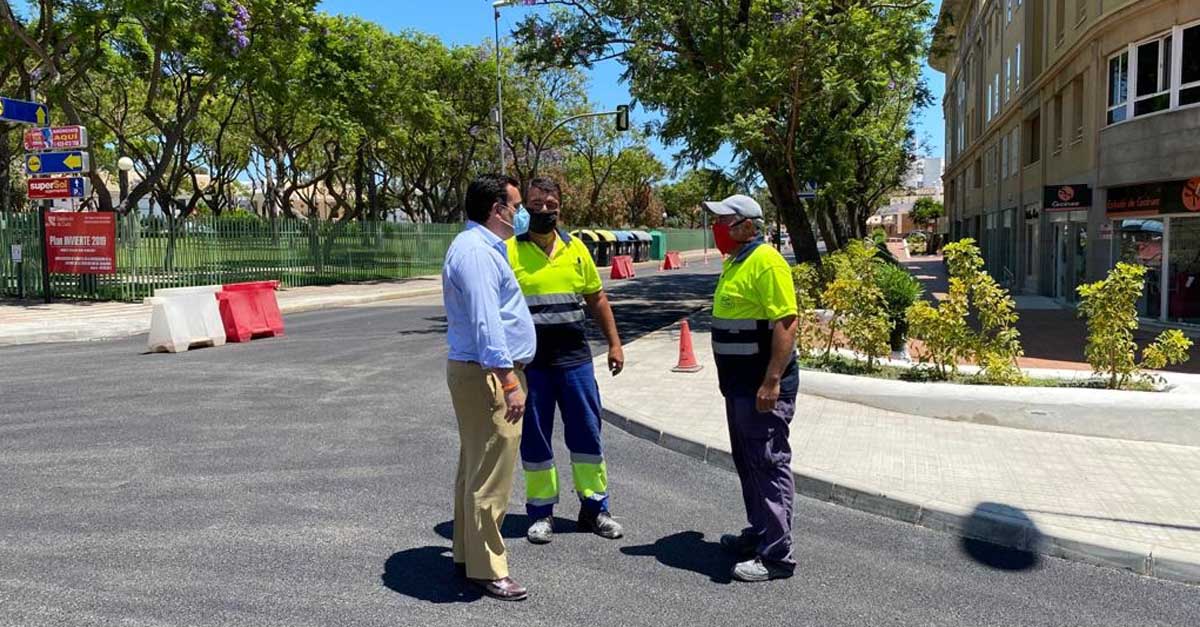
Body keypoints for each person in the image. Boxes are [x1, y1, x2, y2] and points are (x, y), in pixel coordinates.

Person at [506, 177, 626, 545]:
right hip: (532, 367)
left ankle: (595, 508)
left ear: (561, 206)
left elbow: (597, 299)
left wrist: (614, 344)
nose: (544, 209)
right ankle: (542, 512)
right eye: (536, 203)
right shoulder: (508, 252)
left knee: (587, 434)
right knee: (535, 438)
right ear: (525, 206)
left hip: (576, 362)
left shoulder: (577, 250)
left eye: (551, 203)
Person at [442, 173, 537, 601]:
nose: (519, 214)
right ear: (497, 210)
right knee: (491, 475)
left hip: (480, 371)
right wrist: (509, 380)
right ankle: (488, 568)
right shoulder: (478, 253)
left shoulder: (476, 248)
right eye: (515, 207)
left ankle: (468, 554)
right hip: (489, 375)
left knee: (475, 467)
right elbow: (486, 323)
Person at [702, 193, 800, 583]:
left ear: (746, 225)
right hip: (739, 388)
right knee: (749, 464)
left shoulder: (767, 262)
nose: (717, 228)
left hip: (762, 389)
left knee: (768, 465)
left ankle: (777, 555)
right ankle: (760, 532)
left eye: (723, 220)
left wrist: (772, 380)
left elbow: (786, 323)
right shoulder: (737, 263)